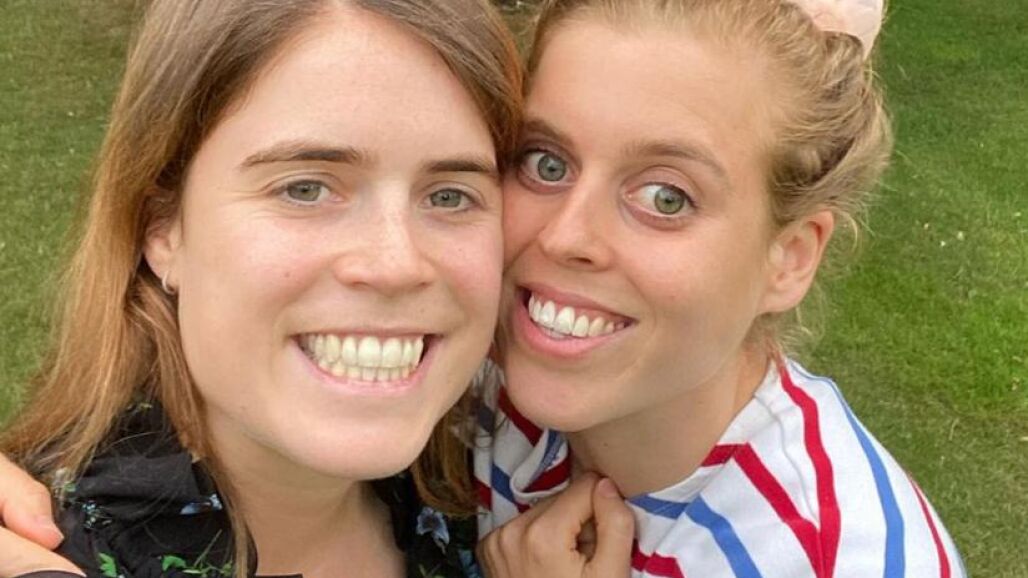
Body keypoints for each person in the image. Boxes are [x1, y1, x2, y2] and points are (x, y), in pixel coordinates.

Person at [0, 0, 521, 576]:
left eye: (449, 196)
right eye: (304, 189)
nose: (396, 264)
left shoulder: (505, 501)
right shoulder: (42, 552)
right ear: (162, 225)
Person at [474, 0, 967, 576]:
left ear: (789, 258)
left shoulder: (840, 561)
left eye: (666, 198)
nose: (564, 236)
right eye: (546, 164)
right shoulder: (473, 383)